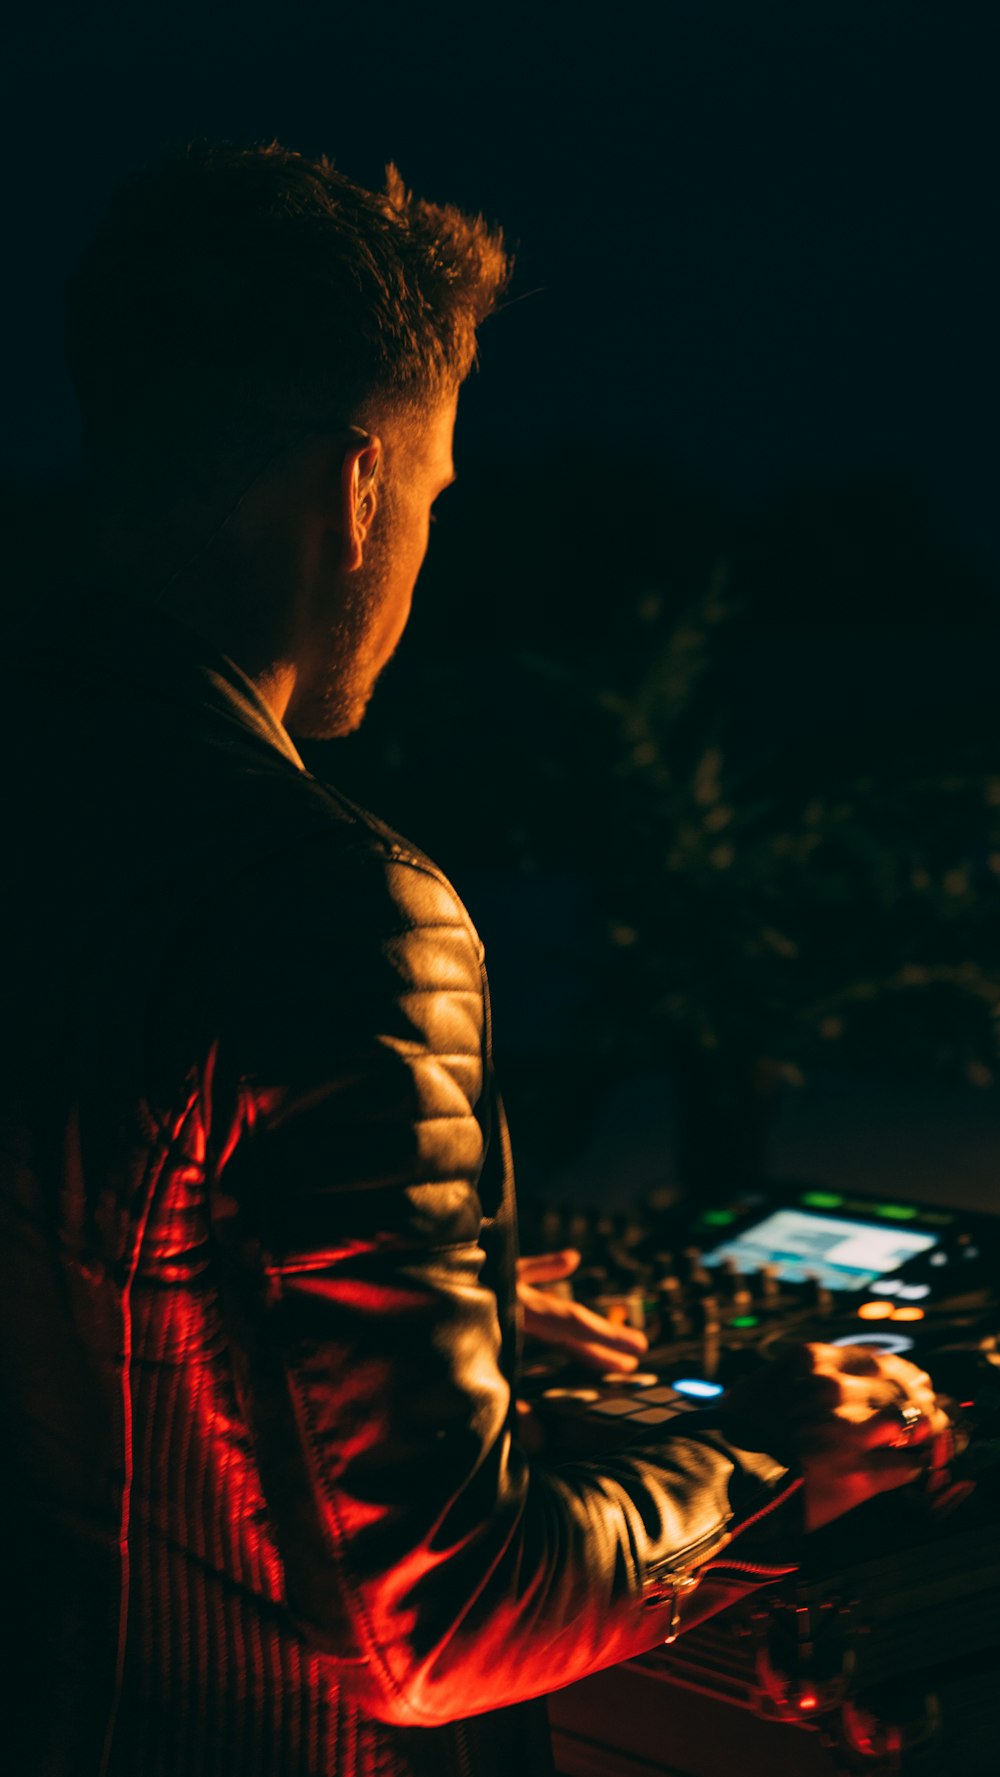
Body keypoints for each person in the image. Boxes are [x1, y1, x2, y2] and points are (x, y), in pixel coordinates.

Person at [0, 142, 948, 1777]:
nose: (423, 548)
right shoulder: (329, 901)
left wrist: (469, 1319)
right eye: (432, 496)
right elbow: (447, 1624)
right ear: (358, 488)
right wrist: (767, 1447)